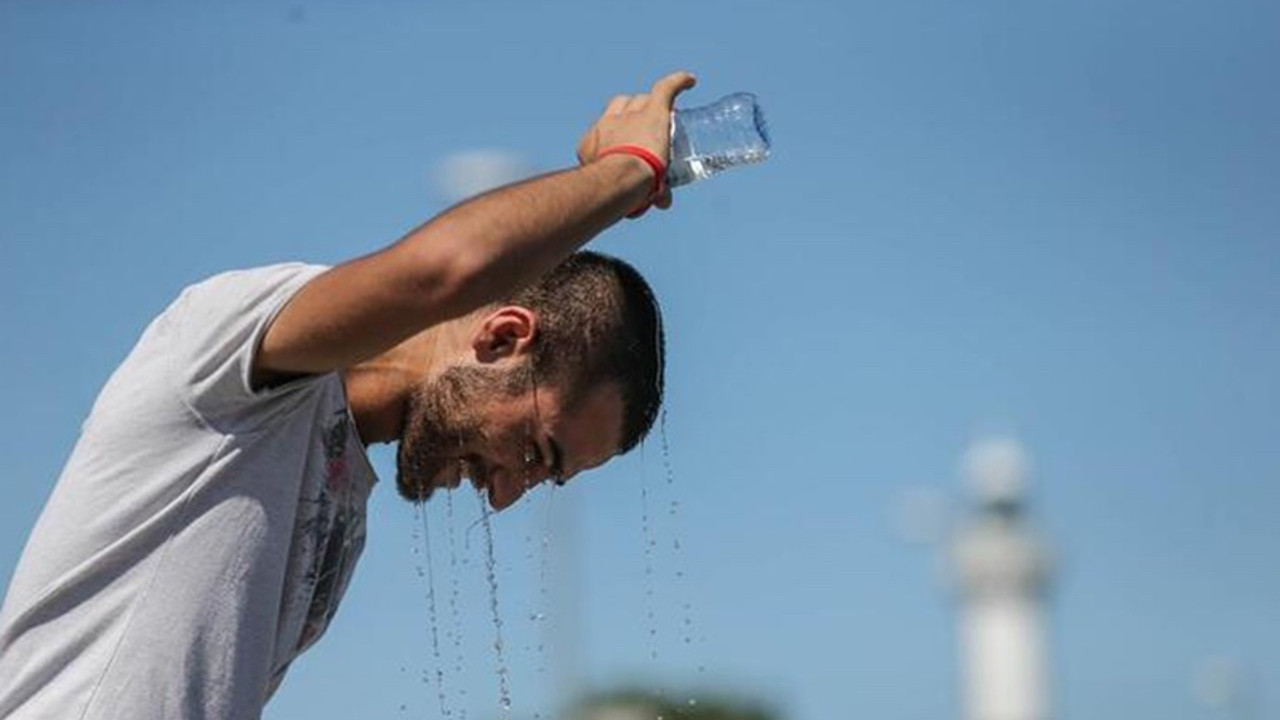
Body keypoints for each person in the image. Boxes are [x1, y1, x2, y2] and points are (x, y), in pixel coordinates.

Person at [0, 70, 698, 720]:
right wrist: (628, 170)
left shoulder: (343, 508)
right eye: (535, 452)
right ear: (503, 338)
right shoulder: (234, 352)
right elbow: (444, 271)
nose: (506, 494)